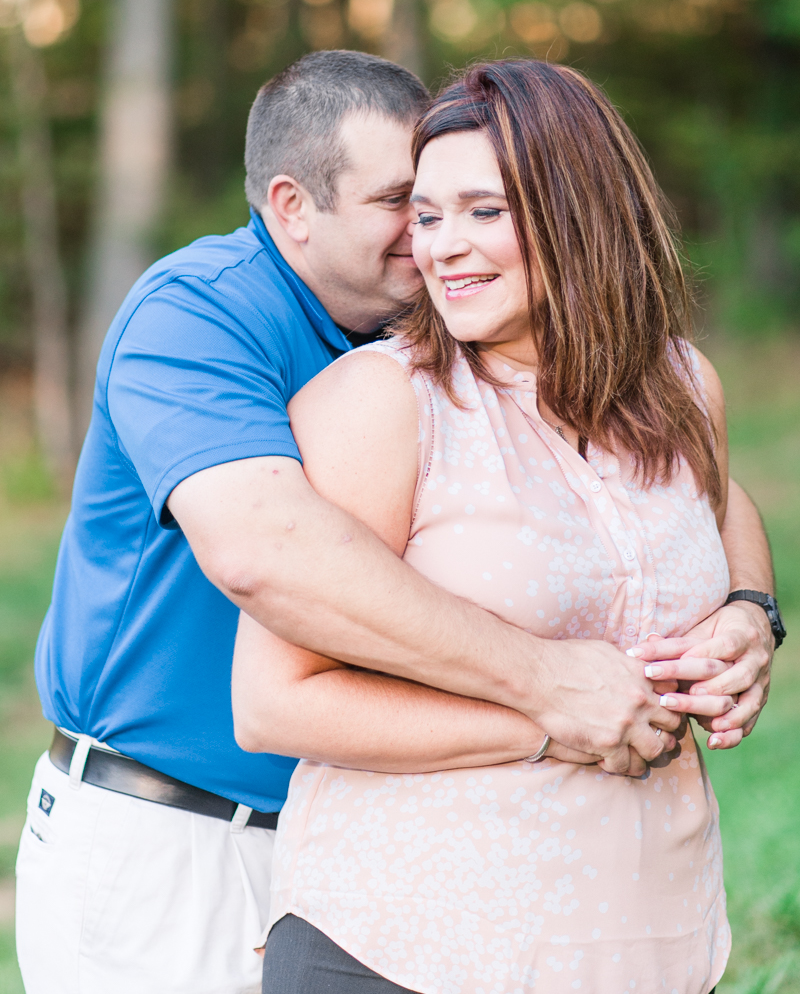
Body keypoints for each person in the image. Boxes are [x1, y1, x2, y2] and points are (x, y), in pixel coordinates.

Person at [16, 51, 774, 994]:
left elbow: (693, 491)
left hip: (355, 827)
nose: (433, 240)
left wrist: (748, 606)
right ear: (293, 207)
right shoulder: (199, 318)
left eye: (464, 208)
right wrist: (546, 689)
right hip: (178, 837)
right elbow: (271, 555)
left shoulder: (435, 320)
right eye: (405, 206)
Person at [232, 58, 786, 994]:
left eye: (485, 212)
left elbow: (722, 507)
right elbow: (274, 703)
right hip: (406, 949)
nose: (443, 246)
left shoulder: (681, 384)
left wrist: (749, 611)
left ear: (579, 213)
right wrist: (542, 721)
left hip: (650, 946)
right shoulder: (387, 402)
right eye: (428, 214)